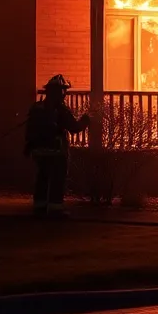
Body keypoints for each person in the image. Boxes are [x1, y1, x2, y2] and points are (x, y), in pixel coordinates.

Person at [24, 74, 91, 217]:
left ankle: (39, 206)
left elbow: (29, 128)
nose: (65, 94)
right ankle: (55, 208)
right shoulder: (61, 110)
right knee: (57, 178)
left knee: (42, 177)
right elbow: (74, 128)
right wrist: (85, 120)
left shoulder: (37, 107)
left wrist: (29, 146)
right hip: (56, 151)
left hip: (38, 151)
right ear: (60, 92)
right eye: (63, 91)